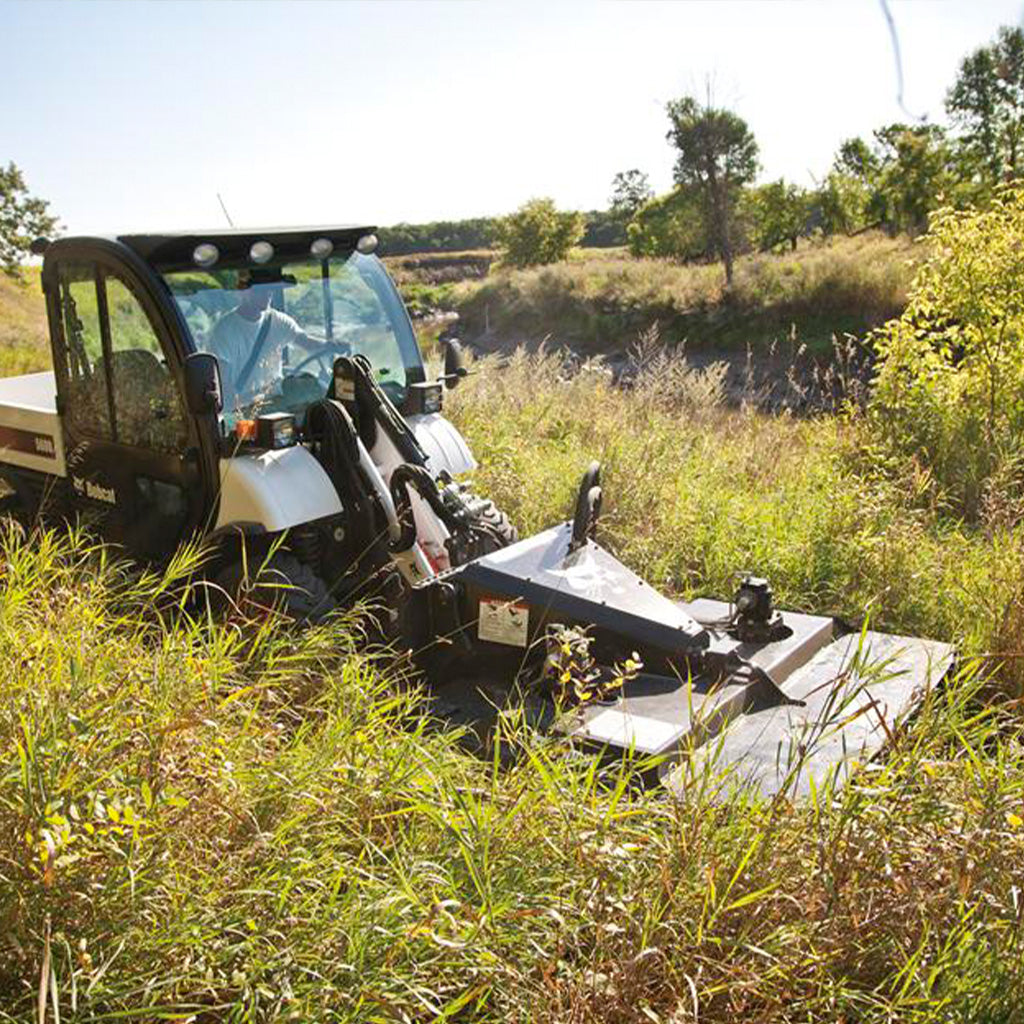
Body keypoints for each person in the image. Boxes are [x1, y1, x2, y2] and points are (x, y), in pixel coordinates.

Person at [208, 269, 324, 409]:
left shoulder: (279, 321)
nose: (268, 294)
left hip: (279, 403)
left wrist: (331, 345)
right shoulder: (224, 331)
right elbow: (223, 384)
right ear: (244, 292)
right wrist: (237, 411)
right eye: (261, 290)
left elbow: (308, 343)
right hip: (245, 409)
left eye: (271, 289)